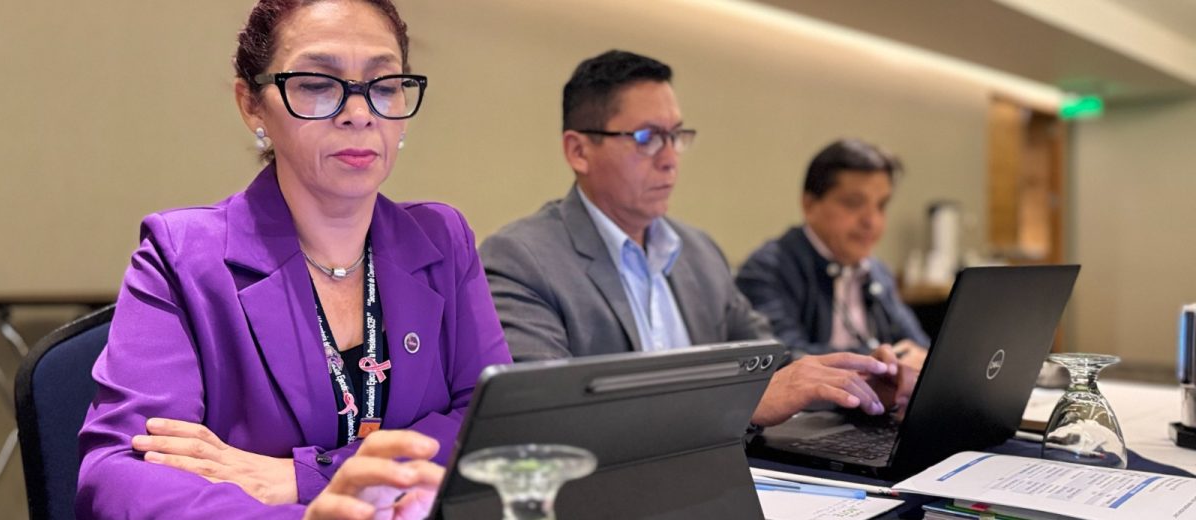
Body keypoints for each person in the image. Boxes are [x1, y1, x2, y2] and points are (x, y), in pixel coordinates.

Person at [76, 1, 510, 517]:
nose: (359, 113)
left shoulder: (442, 239)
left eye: (384, 85)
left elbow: (494, 426)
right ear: (251, 105)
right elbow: (119, 475)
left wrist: (310, 475)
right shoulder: (182, 255)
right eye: (318, 84)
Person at [479, 50, 908, 428]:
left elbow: (774, 364)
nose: (670, 160)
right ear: (579, 151)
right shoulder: (522, 260)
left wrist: (853, 379)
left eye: (676, 136)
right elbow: (545, 417)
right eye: (647, 138)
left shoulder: (699, 252)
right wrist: (741, 405)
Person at [735, 139, 930, 371]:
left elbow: (919, 350)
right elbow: (780, 358)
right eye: (854, 204)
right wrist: (882, 361)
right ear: (809, 205)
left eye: (881, 206)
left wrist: (908, 360)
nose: (871, 221)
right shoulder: (767, 269)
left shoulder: (877, 272)